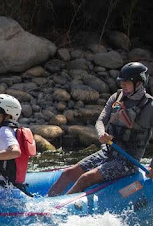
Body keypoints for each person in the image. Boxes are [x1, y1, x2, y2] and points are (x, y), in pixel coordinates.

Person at [48, 62, 153, 197]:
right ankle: (46, 204)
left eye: (126, 82)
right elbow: (100, 121)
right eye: (122, 82)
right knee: (67, 174)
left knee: (86, 178)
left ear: (139, 83)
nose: (122, 85)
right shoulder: (116, 97)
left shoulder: (149, 106)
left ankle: (58, 208)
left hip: (128, 162)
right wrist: (101, 133)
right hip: (108, 152)